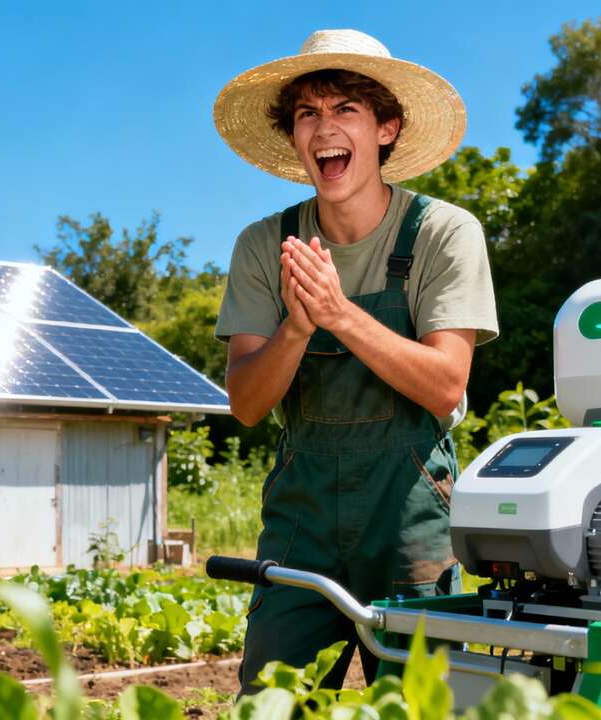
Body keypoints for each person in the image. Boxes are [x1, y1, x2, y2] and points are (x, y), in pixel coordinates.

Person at [211, 29, 500, 692]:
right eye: (308, 114)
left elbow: (446, 383)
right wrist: (296, 328)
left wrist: (341, 315)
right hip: (301, 521)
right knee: (273, 702)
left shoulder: (441, 233)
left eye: (345, 110)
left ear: (387, 129)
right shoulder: (265, 244)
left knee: (425, 706)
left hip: (411, 522)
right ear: (293, 137)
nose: (323, 129)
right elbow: (248, 405)